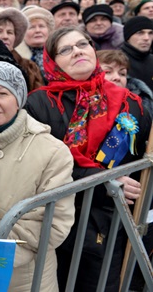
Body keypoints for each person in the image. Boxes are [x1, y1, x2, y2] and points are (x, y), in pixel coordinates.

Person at [25, 27, 151, 292]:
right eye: (66, 49)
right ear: (52, 61)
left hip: (109, 224)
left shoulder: (131, 104)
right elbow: (38, 165)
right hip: (55, 222)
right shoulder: (39, 104)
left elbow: (142, 163)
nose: (78, 51)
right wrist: (104, 180)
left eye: (82, 44)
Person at [0, 61, 74, 291]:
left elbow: (52, 225)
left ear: (18, 97)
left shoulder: (52, 151)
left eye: (2, 93)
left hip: (26, 279)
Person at [98, 49, 153, 119]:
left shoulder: (139, 108)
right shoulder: (82, 103)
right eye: (108, 72)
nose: (117, 78)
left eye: (122, 74)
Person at [16, 6, 54, 73]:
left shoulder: (58, 53)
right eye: (32, 27)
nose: (37, 30)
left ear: (49, 30)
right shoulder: (16, 57)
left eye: (41, 26)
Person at [120, 16, 153, 93]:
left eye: (150, 33)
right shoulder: (116, 61)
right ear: (128, 37)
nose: (146, 38)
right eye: (140, 33)